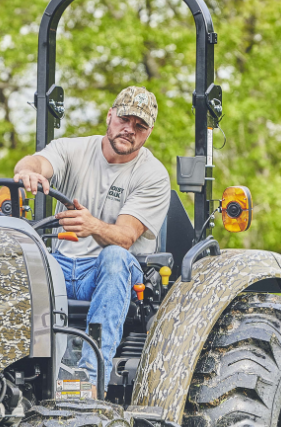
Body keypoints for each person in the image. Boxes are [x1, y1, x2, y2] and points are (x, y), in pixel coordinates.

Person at [12, 86, 171, 387]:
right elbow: (35, 163)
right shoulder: (72, 150)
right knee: (18, 256)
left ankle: (88, 379)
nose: (129, 129)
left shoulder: (152, 175)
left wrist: (92, 226)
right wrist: (28, 173)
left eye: (140, 126)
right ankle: (11, 373)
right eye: (124, 119)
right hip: (58, 266)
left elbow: (125, 237)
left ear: (148, 132)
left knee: (114, 257)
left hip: (107, 273)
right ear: (110, 116)